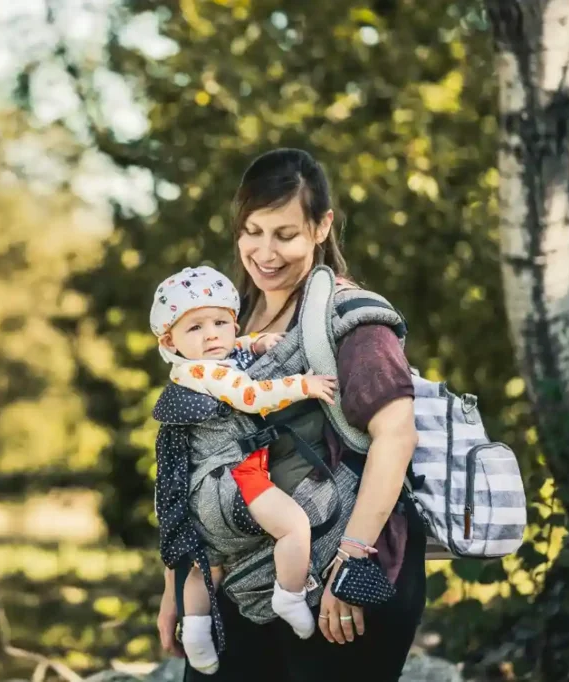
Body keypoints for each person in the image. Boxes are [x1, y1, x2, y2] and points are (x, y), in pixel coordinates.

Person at [155, 148, 426, 681]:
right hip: (236, 578)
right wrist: (177, 585)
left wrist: (351, 562)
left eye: (284, 234)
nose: (264, 252)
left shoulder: (351, 316)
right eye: (252, 231)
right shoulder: (227, 324)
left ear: (322, 226)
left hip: (337, 574)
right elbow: (189, 454)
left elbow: (396, 434)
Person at [148, 265, 337, 673]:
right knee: (294, 526)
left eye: (221, 322)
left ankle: (197, 635)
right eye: (195, 328)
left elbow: (230, 350)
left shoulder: (190, 367)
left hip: (201, 494)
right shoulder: (209, 372)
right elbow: (251, 395)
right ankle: (289, 594)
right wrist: (303, 385)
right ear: (170, 340)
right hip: (235, 480)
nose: (212, 334)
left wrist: (253, 344)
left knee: (206, 566)